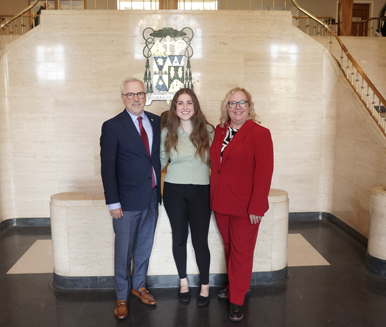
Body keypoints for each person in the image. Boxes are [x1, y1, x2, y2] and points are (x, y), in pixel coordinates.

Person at [210, 87, 274, 322]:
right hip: (220, 201)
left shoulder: (260, 133)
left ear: (250, 106)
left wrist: (257, 206)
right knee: (229, 247)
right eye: (232, 103)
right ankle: (237, 284)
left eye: (242, 103)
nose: (237, 107)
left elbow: (264, 172)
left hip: (245, 206)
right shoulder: (219, 131)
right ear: (226, 107)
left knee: (242, 252)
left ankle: (237, 300)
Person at [100, 77, 161, 320]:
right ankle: (122, 295)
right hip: (125, 201)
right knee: (124, 250)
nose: (136, 98)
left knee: (144, 246)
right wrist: (113, 202)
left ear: (146, 96)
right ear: (123, 98)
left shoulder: (155, 121)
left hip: (152, 196)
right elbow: (108, 168)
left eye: (140, 94)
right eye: (131, 95)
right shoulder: (112, 126)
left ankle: (139, 286)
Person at [160, 88, 214, 307]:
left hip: (201, 192)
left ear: (195, 106)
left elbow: (217, 163)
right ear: (174, 107)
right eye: (180, 103)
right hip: (174, 191)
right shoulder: (167, 132)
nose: (184, 107)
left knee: (201, 242)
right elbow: (160, 161)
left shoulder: (208, 131)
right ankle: (183, 282)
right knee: (179, 238)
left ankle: (205, 285)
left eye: (189, 103)